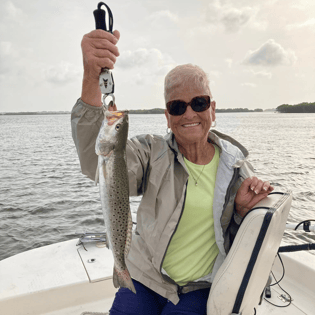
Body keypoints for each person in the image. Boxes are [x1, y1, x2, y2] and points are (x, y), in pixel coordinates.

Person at [71, 29, 274, 315]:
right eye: (178, 106)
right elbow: (97, 162)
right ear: (167, 117)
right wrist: (92, 77)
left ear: (213, 110)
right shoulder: (149, 152)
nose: (189, 113)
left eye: (199, 103)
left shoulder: (238, 169)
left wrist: (240, 211)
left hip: (200, 286)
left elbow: (247, 242)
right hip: (144, 276)